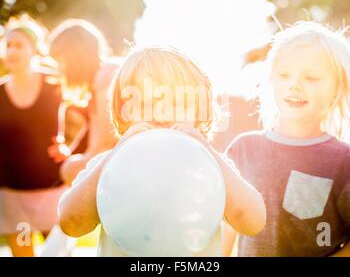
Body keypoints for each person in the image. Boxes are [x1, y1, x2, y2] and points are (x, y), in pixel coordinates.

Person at [58, 46, 266, 256]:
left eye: (176, 103)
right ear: (124, 113)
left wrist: (208, 151)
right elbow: (72, 223)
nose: (161, 113)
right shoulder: (110, 166)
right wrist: (114, 155)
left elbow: (253, 222)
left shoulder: (210, 167)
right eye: (145, 103)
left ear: (199, 113)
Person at [226, 21, 350, 256]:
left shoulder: (344, 161)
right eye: (284, 75)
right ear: (271, 80)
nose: (294, 85)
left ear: (337, 87)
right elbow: (225, 230)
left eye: (311, 77)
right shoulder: (243, 149)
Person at [0, 15, 65, 256]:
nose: (12, 51)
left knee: (58, 254)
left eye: (19, 45)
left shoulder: (54, 84)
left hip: (52, 190)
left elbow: (90, 113)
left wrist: (74, 151)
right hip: (11, 195)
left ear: (34, 49)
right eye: (8, 45)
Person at [49, 19, 119, 185]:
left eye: (60, 59)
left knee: (69, 169)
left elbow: (105, 141)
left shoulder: (106, 75)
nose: (59, 68)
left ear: (74, 56)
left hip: (127, 158)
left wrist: (75, 164)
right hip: (119, 158)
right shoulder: (99, 81)